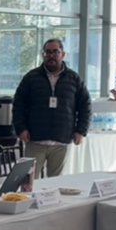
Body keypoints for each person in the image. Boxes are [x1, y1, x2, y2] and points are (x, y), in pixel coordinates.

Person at [12, 38, 92, 178]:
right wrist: (21, 128)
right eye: (47, 52)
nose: (51, 56)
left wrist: (81, 130)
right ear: (43, 55)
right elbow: (18, 104)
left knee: (56, 182)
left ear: (63, 54)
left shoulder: (74, 79)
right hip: (35, 139)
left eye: (56, 52)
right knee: (29, 181)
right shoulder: (31, 78)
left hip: (61, 140)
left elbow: (85, 106)